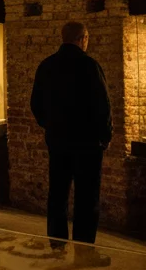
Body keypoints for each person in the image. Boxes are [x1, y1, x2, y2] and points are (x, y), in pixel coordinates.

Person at [31, 21, 112, 244]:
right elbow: (102, 105)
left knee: (57, 192)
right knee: (86, 196)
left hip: (57, 140)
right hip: (87, 142)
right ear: (82, 38)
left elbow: (36, 104)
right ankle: (83, 246)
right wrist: (104, 137)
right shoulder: (89, 65)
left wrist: (50, 125)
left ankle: (56, 243)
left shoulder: (46, 65)